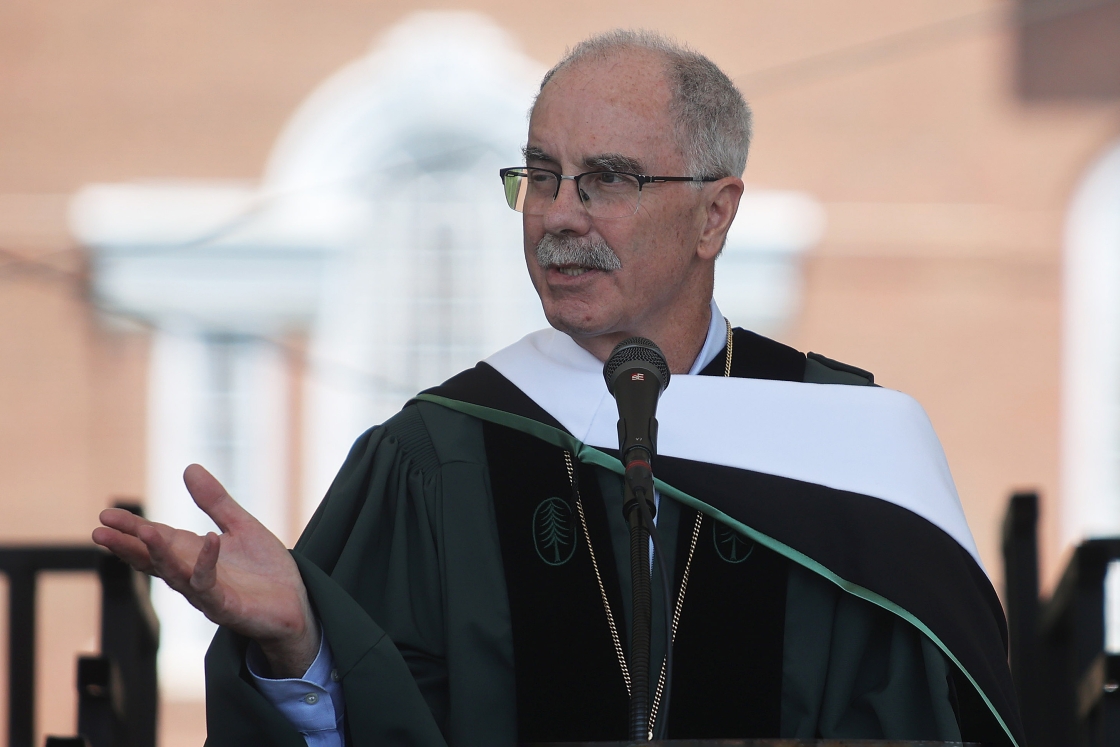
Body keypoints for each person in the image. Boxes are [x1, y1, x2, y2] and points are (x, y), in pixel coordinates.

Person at [93, 30, 1024, 747]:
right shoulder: (439, 454)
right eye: (540, 177)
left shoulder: (844, 447)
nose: (557, 216)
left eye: (605, 180)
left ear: (714, 214)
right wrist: (304, 646)